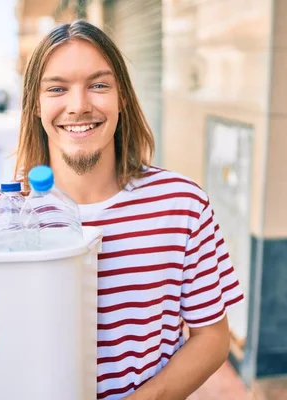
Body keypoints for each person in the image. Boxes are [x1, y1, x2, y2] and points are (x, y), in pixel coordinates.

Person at [15, 20, 244, 400]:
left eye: (99, 85)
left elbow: (212, 337)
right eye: (57, 89)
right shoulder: (0, 214)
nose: (79, 106)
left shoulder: (181, 205)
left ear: (123, 97)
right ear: (35, 106)